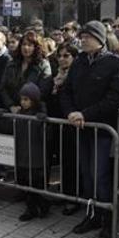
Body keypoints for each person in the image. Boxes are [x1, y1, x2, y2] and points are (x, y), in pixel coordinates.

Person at [60, 21, 119, 238]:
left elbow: (115, 99)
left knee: (101, 177)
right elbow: (66, 91)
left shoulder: (116, 63)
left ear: (99, 38)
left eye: (87, 36)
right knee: (87, 176)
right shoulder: (79, 62)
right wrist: (71, 112)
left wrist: (85, 114)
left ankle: (108, 221)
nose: (83, 40)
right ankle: (92, 215)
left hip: (102, 130)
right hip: (82, 129)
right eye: (82, 36)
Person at [48, 44, 80, 215]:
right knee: (63, 162)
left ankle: (73, 198)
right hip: (56, 124)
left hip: (71, 125)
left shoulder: (77, 76)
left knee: (72, 163)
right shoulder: (55, 75)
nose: (62, 59)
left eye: (66, 56)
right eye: (59, 56)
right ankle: (65, 193)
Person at [14, 82, 50, 221]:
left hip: (36, 156)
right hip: (22, 153)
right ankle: (37, 206)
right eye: (21, 99)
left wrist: (43, 124)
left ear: (34, 100)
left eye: (26, 99)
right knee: (24, 183)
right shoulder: (21, 113)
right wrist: (1, 116)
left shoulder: (40, 114)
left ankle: (35, 207)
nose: (23, 102)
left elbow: (47, 136)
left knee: (34, 184)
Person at [0, 31, 50, 112]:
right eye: (24, 44)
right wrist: (11, 105)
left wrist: (25, 106)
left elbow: (43, 91)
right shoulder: (11, 64)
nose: (26, 48)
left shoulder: (43, 65)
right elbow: (3, 87)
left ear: (36, 47)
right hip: (12, 110)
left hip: (32, 113)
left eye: (30, 45)